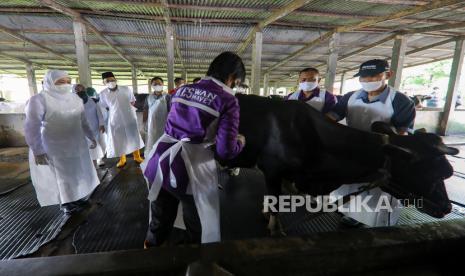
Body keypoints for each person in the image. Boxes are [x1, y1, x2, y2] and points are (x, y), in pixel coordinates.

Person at [141, 52, 246, 247]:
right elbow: (225, 152)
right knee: (196, 220)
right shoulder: (228, 100)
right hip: (189, 170)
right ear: (233, 78)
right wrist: (240, 142)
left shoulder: (182, 90)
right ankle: (193, 258)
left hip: (160, 160)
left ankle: (150, 252)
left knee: (159, 217)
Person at [327, 59, 416, 227]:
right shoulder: (350, 97)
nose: (367, 81)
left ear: (387, 75)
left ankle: (380, 225)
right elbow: (333, 116)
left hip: (383, 154)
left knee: (377, 192)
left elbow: (403, 133)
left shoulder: (400, 101)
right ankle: (349, 216)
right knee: (351, 188)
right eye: (363, 78)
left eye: (373, 76)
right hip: (353, 150)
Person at [25, 70, 100, 214]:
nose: (65, 85)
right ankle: (66, 203)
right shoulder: (39, 100)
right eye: (60, 82)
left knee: (77, 172)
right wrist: (37, 149)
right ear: (49, 82)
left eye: (68, 81)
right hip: (54, 145)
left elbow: (83, 121)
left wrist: (91, 136)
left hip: (76, 143)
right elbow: (31, 126)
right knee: (62, 175)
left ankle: (76, 198)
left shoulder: (75, 99)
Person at [99, 72, 144, 168]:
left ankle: (137, 157)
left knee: (133, 136)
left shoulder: (126, 89)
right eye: (108, 80)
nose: (110, 81)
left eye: (112, 79)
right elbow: (104, 107)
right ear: (104, 82)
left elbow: (132, 101)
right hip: (115, 119)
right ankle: (122, 159)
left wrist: (126, 110)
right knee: (119, 138)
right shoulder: (103, 94)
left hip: (129, 117)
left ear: (115, 79)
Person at [74, 84, 106, 167]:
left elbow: (99, 113)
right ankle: (86, 166)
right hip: (80, 129)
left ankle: (96, 163)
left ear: (84, 90)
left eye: (81, 89)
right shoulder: (72, 103)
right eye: (77, 90)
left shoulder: (93, 101)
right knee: (84, 148)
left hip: (94, 127)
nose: (79, 91)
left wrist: (101, 124)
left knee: (95, 146)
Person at [143, 76, 170, 156]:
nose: (157, 85)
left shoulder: (167, 96)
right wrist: (144, 122)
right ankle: (152, 157)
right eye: (155, 84)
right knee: (152, 141)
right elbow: (145, 109)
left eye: (159, 83)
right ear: (152, 85)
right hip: (152, 124)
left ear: (163, 84)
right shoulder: (149, 97)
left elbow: (171, 111)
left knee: (163, 141)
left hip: (164, 123)